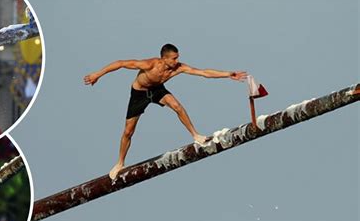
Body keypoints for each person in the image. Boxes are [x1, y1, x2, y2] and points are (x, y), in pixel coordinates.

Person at [84, 44, 247, 179]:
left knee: (176, 106)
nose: (177, 61)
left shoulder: (178, 68)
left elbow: (203, 72)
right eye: (174, 58)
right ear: (164, 58)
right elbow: (120, 63)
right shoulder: (150, 64)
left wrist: (228, 74)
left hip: (157, 90)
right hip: (139, 94)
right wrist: (97, 74)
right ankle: (120, 162)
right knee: (128, 132)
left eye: (178, 57)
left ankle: (196, 135)